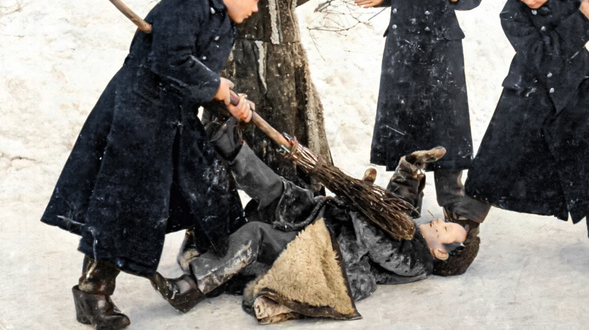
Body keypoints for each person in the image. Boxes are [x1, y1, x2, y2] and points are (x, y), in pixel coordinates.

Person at [40, 0, 276, 329]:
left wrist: (227, 100)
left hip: (175, 116)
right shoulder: (187, 2)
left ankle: (209, 268)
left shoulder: (222, 20)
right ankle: (92, 293)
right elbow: (170, 62)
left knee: (211, 185)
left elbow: (195, 79)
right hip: (138, 114)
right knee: (126, 203)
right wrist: (216, 86)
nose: (255, 8)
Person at [150, 119, 480, 322]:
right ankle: (230, 146)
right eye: (446, 222)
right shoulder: (409, 227)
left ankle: (190, 287)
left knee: (257, 234)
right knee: (277, 190)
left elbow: (377, 240)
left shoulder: (416, 261)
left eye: (446, 230)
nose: (439, 223)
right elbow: (396, 204)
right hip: (322, 216)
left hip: (322, 249)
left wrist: (356, 200)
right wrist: (411, 166)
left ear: (440, 252)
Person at [459, 0, 589, 276]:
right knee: (496, 157)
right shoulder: (512, 13)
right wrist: (582, 18)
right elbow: (542, 55)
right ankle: (463, 223)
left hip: (580, 91)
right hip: (527, 91)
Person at [354, 0, 484, 221]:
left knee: (446, 122)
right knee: (405, 119)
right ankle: (405, 199)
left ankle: (453, 202)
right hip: (403, 45)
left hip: (441, 45)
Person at [220, 0, 333, 193]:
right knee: (243, 147)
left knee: (289, 145)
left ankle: (296, 200)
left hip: (288, 85)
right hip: (249, 80)